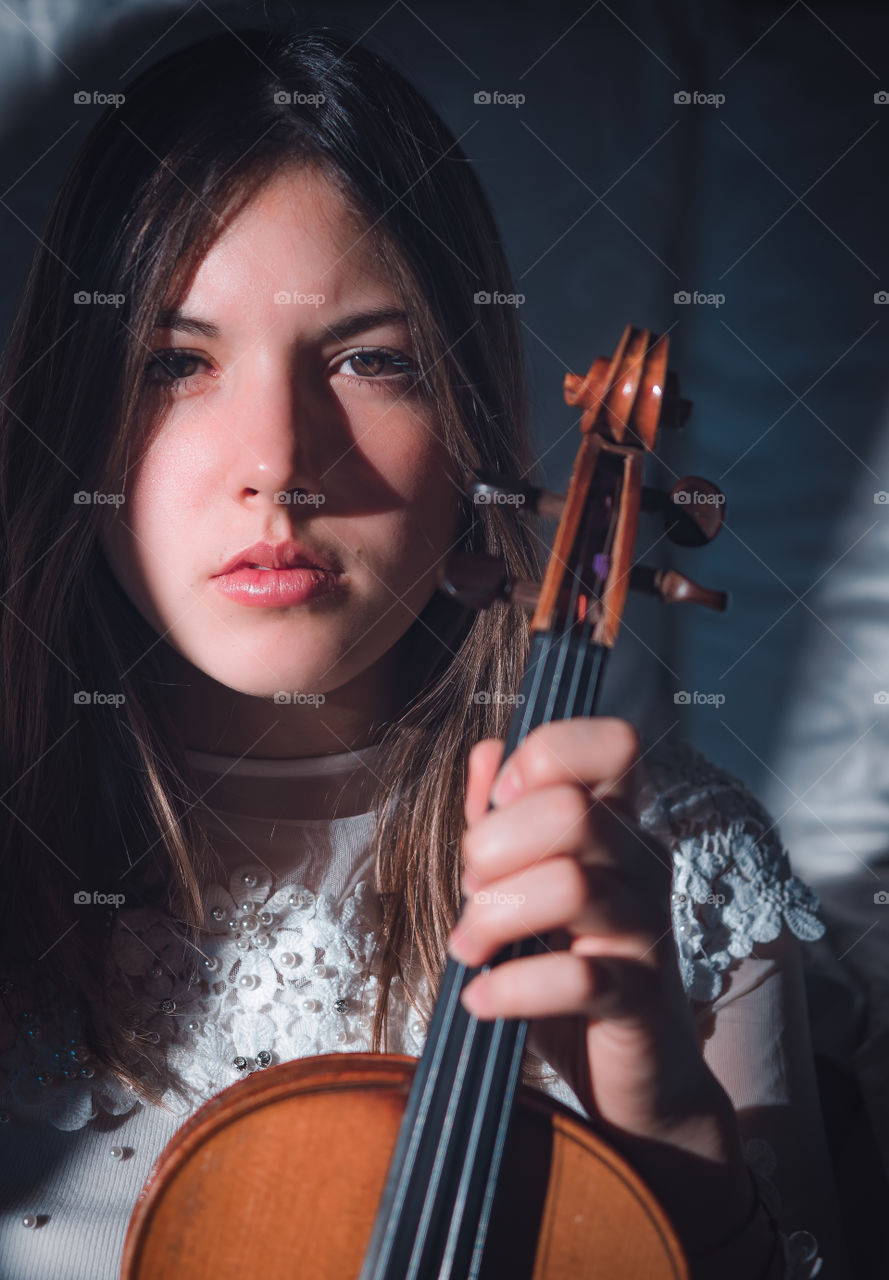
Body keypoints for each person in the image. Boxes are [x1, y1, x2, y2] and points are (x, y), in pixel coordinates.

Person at [0, 24, 845, 1279]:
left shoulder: (680, 875)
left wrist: (666, 1134)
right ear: (76, 422)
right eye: (175, 362)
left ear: (467, 437)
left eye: (366, 359)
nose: (280, 462)